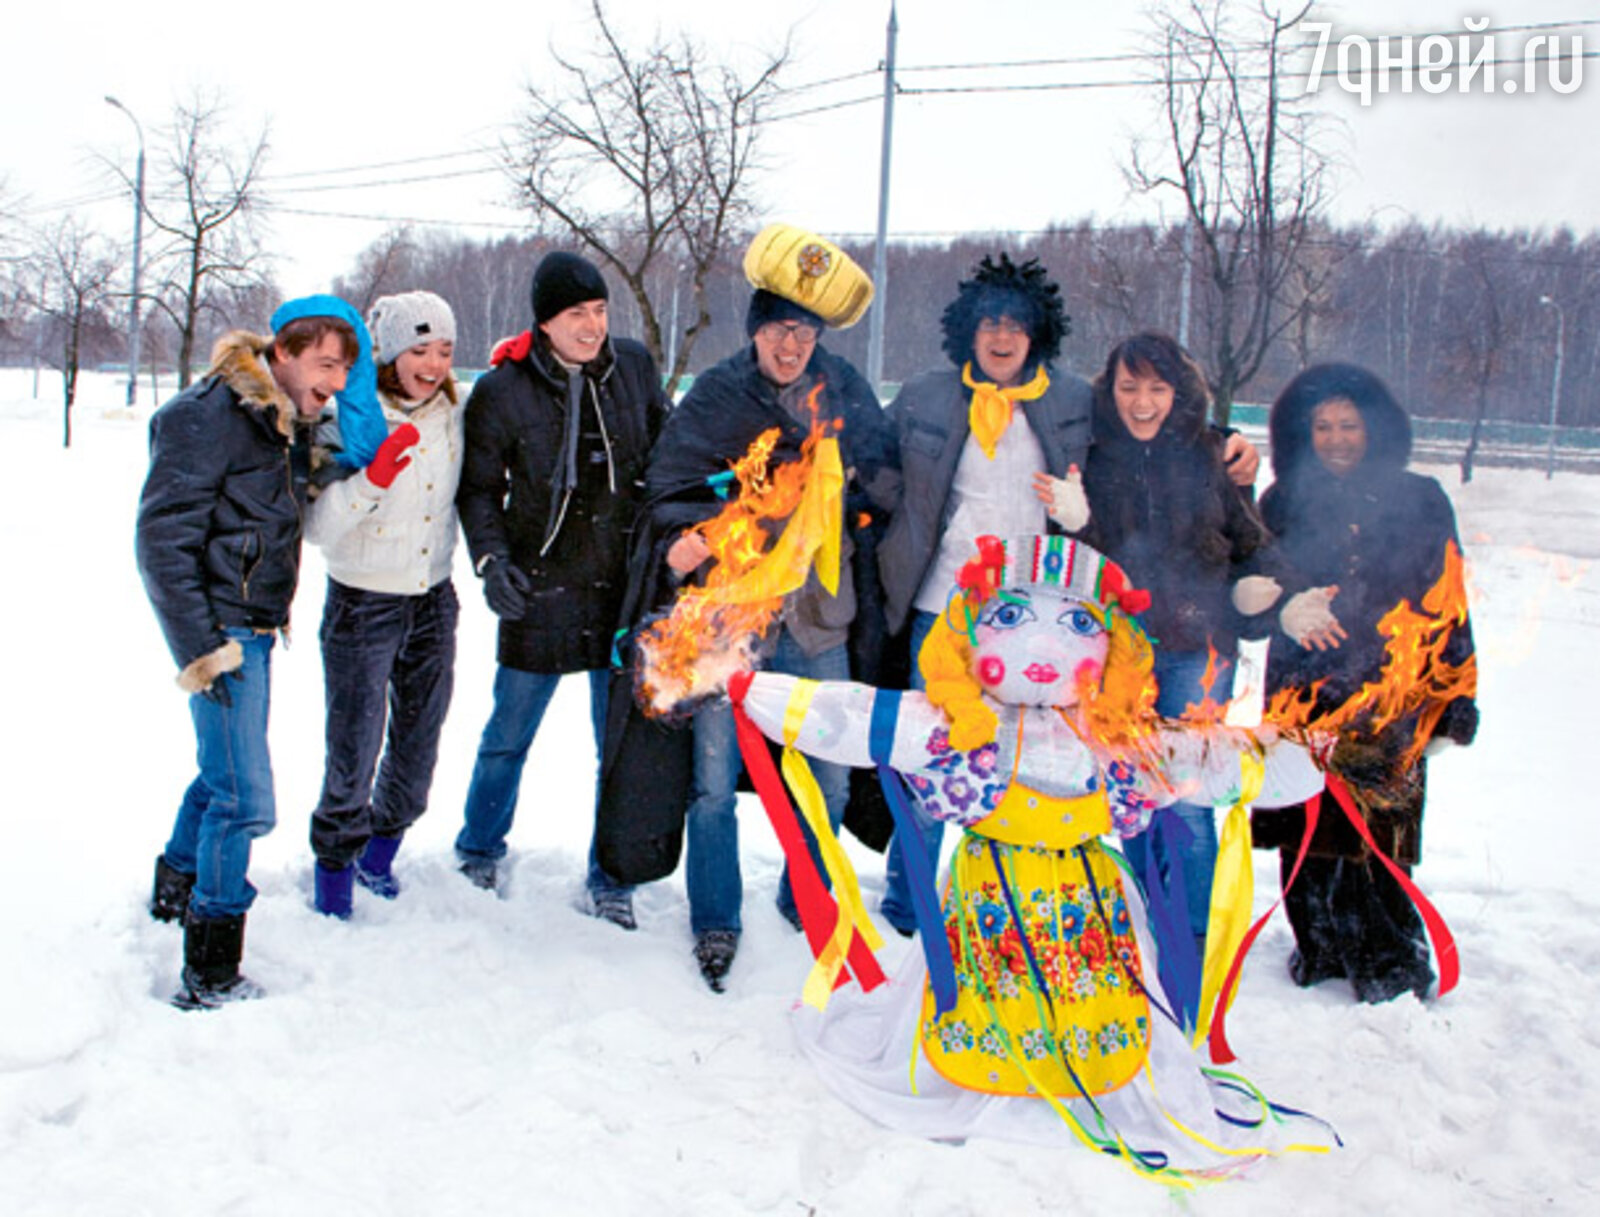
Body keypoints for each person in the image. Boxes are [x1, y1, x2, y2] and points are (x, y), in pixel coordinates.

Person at [726, 534, 1331, 1180]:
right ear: (970, 634)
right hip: (990, 896)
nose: (1044, 646)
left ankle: (1093, 1075)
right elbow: (855, 715)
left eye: (1078, 624)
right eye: (1010, 618)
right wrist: (757, 693)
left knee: (1103, 1003)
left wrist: (1306, 755)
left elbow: (1206, 760)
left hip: (1089, 904)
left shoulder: (1119, 737)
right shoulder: (960, 725)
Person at [620, 223, 896, 991]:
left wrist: (856, 490)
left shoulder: (843, 390)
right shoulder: (717, 394)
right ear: (756, 330)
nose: (792, 344)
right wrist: (700, 527)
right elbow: (667, 487)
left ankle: (801, 896)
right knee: (713, 780)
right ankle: (716, 918)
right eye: (779, 328)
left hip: (818, 617)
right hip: (727, 622)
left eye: (804, 331)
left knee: (832, 778)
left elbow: (888, 477)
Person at [138, 295, 367, 1009]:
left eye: (344, 369)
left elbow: (313, 482)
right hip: (223, 631)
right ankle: (209, 969)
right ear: (285, 351)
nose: (334, 380)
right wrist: (203, 649)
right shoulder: (206, 416)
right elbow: (161, 540)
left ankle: (175, 884)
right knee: (245, 799)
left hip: (258, 624)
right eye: (326, 363)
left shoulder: (287, 421)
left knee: (221, 775)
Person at [1058, 332, 1280, 1020]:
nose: (1143, 402)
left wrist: (1264, 594)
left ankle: (1191, 953)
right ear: (1110, 389)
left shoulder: (1213, 453)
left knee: (1184, 804)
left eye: (1157, 388)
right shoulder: (1090, 452)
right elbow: (1080, 561)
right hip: (1117, 658)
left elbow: (1251, 546)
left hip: (1194, 650)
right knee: (1127, 797)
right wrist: (1078, 522)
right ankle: (1136, 941)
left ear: (1179, 391)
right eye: (1129, 387)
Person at [453, 251, 668, 927]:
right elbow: (479, 489)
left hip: (619, 589)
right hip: (538, 587)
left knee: (618, 747)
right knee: (508, 733)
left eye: (601, 311)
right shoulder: (502, 389)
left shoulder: (633, 367)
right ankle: (479, 846)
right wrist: (491, 561)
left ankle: (612, 876)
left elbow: (668, 453)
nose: (593, 325)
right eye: (577, 313)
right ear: (545, 322)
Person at [1254, 362, 1478, 1003]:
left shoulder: (1421, 499)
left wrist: (1455, 696)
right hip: (1306, 684)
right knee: (1309, 820)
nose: (1336, 438)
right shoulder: (1283, 499)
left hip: (1392, 689)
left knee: (1379, 826)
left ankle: (1389, 958)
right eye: (1322, 426)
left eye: (1349, 425)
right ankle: (1319, 945)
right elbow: (1262, 586)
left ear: (1376, 428)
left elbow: (1449, 599)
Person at [304, 291, 463, 917]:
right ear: (388, 354)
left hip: (433, 598)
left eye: (445, 350)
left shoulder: (455, 411)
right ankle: (334, 873)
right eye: (418, 349)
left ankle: (381, 853)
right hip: (362, 602)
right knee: (354, 747)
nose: (432, 364)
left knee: (419, 740)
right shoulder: (346, 417)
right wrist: (372, 478)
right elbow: (318, 529)